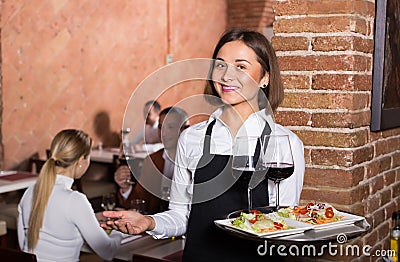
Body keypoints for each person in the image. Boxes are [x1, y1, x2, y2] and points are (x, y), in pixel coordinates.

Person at [103, 29, 305, 261]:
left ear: (265, 78)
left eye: (241, 66)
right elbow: (181, 216)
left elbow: (286, 224)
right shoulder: (192, 138)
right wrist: (149, 222)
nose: (227, 76)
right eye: (220, 65)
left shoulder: (284, 144)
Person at [18, 129, 122, 261]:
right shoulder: (75, 200)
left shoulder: (29, 192)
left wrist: (92, 218)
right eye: (89, 157)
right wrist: (119, 230)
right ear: (80, 161)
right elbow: (108, 251)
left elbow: (24, 246)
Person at [114, 107, 189, 214]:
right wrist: (125, 188)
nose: (163, 133)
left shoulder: (194, 162)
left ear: (185, 129)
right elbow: (140, 199)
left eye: (170, 127)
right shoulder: (152, 160)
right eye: (160, 126)